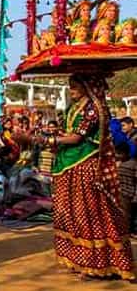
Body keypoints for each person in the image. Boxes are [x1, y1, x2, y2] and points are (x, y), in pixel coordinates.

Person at [21, 74, 133, 279]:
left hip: (84, 166)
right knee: (69, 212)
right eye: (69, 85)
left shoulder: (93, 108)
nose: (71, 89)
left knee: (88, 213)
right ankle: (79, 259)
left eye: (75, 86)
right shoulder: (74, 107)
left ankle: (100, 264)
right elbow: (66, 134)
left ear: (87, 85)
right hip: (68, 165)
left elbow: (76, 138)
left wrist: (36, 139)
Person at [116, 143, 137, 235]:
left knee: (126, 215)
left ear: (125, 153)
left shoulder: (133, 165)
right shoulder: (116, 163)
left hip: (127, 194)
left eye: (119, 154)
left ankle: (125, 232)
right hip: (118, 192)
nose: (117, 155)